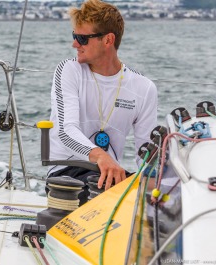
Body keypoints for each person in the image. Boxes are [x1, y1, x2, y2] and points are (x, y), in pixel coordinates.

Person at [47, 0, 158, 205]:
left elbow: (146, 155)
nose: (74, 44)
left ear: (108, 40)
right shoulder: (69, 71)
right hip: (67, 172)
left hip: (111, 175)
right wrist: (100, 156)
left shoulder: (144, 88)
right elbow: (65, 131)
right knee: (115, 194)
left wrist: (157, 181)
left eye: (82, 38)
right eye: (74, 36)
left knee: (164, 197)